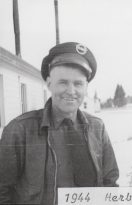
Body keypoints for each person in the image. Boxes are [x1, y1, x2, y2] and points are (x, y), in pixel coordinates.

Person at [0, 42, 119, 205]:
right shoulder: (19, 131)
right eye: (63, 82)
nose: (71, 91)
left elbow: (110, 183)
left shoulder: (97, 128)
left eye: (78, 84)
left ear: (86, 87)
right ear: (49, 84)